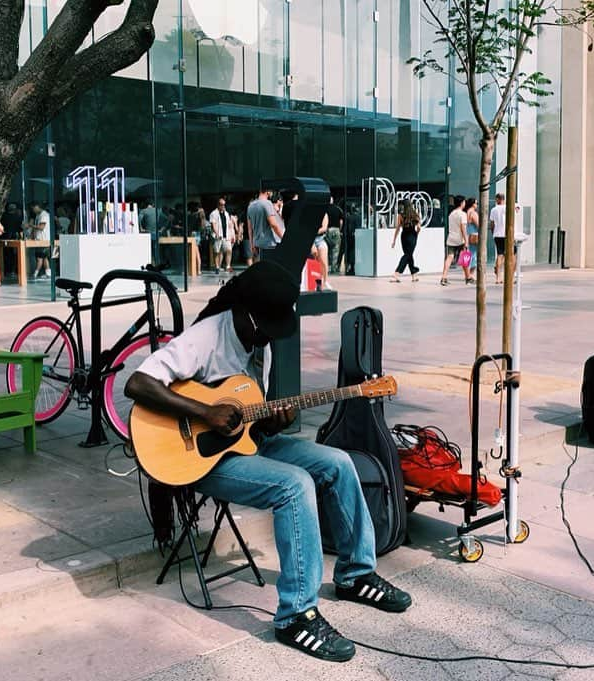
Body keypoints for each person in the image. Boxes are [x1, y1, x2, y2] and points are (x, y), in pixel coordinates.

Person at [124, 261, 412, 664]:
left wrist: (275, 415)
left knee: (338, 463)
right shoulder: (208, 335)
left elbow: (252, 417)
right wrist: (204, 413)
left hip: (247, 445)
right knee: (294, 485)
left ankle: (356, 574)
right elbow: (137, 383)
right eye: (267, 325)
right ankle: (296, 615)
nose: (270, 334)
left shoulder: (260, 343)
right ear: (246, 311)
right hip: (202, 461)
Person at [440, 195, 469, 286]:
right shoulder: (462, 214)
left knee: (449, 257)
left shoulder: (451, 214)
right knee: (464, 257)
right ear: (461, 203)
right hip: (460, 239)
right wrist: (466, 240)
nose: (465, 203)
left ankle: (444, 277)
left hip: (451, 238)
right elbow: (463, 228)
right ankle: (467, 277)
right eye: (464, 202)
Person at [390, 201, 421, 282]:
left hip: (404, 236)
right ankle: (396, 273)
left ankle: (414, 275)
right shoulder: (415, 214)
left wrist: (394, 240)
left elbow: (397, 228)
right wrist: (416, 234)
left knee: (408, 255)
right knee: (407, 255)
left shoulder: (400, 215)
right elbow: (419, 228)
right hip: (412, 236)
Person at [248, 189, 284, 259]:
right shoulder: (267, 204)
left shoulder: (250, 206)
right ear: (268, 192)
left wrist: (251, 245)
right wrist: (284, 238)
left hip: (257, 243)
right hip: (268, 244)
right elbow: (273, 224)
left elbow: (250, 229)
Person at [209, 197, 235, 273]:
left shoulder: (226, 213)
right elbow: (213, 224)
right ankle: (217, 267)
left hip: (226, 235)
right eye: (221, 204)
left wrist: (232, 235)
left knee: (229, 250)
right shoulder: (213, 213)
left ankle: (228, 266)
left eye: (224, 204)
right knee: (217, 251)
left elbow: (229, 225)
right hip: (218, 235)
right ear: (218, 205)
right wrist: (216, 233)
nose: (223, 206)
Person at [28, 202, 51, 280]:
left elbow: (41, 227)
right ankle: (48, 273)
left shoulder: (44, 215)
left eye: (33, 208)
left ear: (37, 206)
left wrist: (30, 225)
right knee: (44, 257)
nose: (33, 210)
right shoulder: (38, 216)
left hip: (43, 239)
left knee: (39, 258)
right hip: (39, 239)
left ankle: (35, 274)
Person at [490, 193, 507, 284]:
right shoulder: (507, 208)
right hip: (506, 235)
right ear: (503, 199)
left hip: (497, 234)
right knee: (504, 255)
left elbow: (492, 224)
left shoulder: (493, 210)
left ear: (497, 199)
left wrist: (493, 233)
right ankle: (502, 275)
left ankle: (498, 277)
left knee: (500, 254)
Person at [326, 196, 344, 274]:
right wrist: (339, 230)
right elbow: (341, 221)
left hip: (326, 230)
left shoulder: (324, 209)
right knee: (335, 250)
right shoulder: (338, 209)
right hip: (336, 230)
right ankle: (334, 267)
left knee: (327, 249)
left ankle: (328, 267)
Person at [465, 197, 479, 283]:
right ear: (472, 204)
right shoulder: (473, 213)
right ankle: (470, 275)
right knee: (473, 255)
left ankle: (467, 275)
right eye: (476, 203)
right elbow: (479, 224)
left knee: (467, 254)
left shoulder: (466, 212)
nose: (477, 205)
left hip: (467, 235)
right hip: (474, 235)